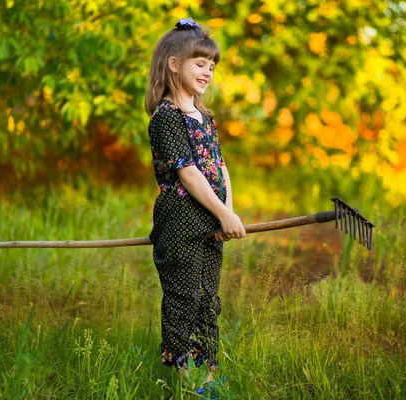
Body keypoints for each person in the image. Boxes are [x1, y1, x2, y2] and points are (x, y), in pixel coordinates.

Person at [144, 17, 247, 386]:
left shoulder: (204, 116)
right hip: (181, 223)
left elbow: (219, 166)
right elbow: (188, 173)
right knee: (185, 299)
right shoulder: (166, 118)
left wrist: (227, 213)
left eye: (212, 66)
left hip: (209, 221)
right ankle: (190, 385)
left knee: (207, 301)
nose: (207, 72)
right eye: (199, 63)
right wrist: (220, 212)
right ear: (174, 64)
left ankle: (209, 381)